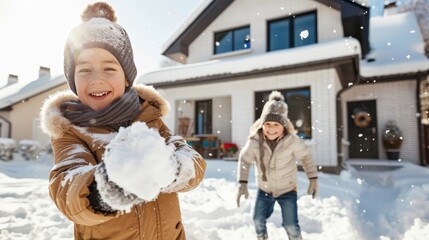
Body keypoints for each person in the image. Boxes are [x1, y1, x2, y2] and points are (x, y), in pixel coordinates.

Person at [40, 2, 206, 239]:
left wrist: (172, 168)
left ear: (127, 78)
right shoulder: (71, 131)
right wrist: (107, 188)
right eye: (84, 70)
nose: (97, 79)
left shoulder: (149, 119)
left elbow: (193, 162)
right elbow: (66, 186)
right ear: (73, 81)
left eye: (109, 69)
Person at [236, 91, 318, 240]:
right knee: (258, 219)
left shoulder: (292, 141)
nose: (271, 128)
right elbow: (245, 159)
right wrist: (242, 183)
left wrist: (313, 178)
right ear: (262, 124)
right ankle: (262, 236)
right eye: (267, 124)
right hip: (264, 188)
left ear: (284, 126)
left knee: (291, 225)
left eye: (276, 124)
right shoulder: (255, 141)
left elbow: (305, 156)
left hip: (287, 189)